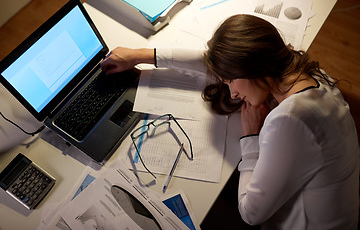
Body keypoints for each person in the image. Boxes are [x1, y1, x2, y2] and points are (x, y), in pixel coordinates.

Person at [100, 14, 359, 229]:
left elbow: (250, 213)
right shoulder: (309, 74)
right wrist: (141, 55)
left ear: (250, 65)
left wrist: (251, 138)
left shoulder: (289, 121)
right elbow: (220, 64)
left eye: (230, 80)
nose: (232, 92)